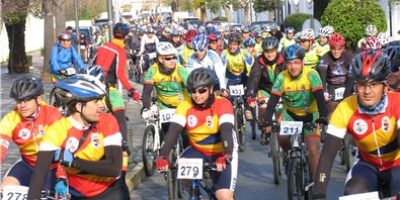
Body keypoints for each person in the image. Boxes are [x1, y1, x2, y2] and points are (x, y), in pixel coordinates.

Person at [313, 50, 400, 199]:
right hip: (367, 165)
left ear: (384, 85)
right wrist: (319, 194)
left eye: (373, 84)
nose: (367, 91)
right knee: (354, 192)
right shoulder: (346, 108)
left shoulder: (396, 102)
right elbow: (327, 157)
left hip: (396, 165)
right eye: (362, 85)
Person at [27, 74, 128, 199]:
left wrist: (74, 162)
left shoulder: (107, 121)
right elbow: (39, 175)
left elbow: (114, 168)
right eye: (96, 102)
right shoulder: (57, 129)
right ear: (79, 106)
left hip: (109, 191)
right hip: (77, 194)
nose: (100, 106)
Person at [155, 68, 238, 200]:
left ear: (211, 89)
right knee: (183, 175)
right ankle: (197, 196)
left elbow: (226, 130)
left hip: (222, 149)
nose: (197, 95)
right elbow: (173, 131)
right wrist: (163, 155)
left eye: (202, 90)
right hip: (198, 149)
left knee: (223, 196)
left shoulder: (222, 103)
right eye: (193, 91)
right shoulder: (185, 105)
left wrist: (227, 154)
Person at [262, 44, 328, 179]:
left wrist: (323, 116)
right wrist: (268, 120)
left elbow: (320, 98)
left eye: (297, 63)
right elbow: (272, 101)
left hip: (311, 115)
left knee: (314, 149)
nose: (293, 67)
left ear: (303, 62)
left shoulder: (312, 74)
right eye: (290, 63)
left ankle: (316, 185)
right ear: (285, 64)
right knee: (282, 138)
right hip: (291, 114)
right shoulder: (282, 78)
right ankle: (289, 155)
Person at [0, 77, 62, 190]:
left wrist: (62, 176)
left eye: (27, 100)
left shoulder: (52, 114)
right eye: (19, 101)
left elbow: (64, 149)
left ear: (38, 99)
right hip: (28, 165)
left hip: (52, 168)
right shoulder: (11, 119)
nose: (22, 105)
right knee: (4, 189)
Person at [93, 22, 141, 168]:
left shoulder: (102, 46)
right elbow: (120, 74)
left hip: (95, 88)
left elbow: (93, 65)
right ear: (125, 37)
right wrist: (132, 91)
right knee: (121, 118)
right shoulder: (119, 51)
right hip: (109, 90)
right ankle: (123, 147)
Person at [246, 36, 285, 130]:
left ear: (276, 50)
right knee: (263, 107)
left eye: (272, 51)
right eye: (267, 52)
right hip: (265, 89)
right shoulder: (259, 61)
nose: (269, 54)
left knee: (282, 116)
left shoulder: (283, 61)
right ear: (263, 51)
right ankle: (264, 129)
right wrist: (251, 95)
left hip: (282, 90)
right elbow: (253, 79)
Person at [142, 42, 189, 114]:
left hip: (183, 106)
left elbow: (192, 89)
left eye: (174, 58)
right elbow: (147, 92)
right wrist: (146, 108)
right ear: (160, 59)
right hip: (164, 107)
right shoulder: (152, 71)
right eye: (168, 59)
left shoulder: (181, 70)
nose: (172, 61)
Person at [317, 32, 354, 117]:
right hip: (331, 86)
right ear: (330, 47)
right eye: (333, 49)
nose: (336, 52)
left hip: (346, 83)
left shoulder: (349, 57)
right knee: (332, 108)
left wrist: (347, 93)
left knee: (349, 108)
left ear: (343, 48)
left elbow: (352, 77)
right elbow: (322, 76)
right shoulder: (325, 57)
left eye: (339, 48)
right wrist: (324, 92)